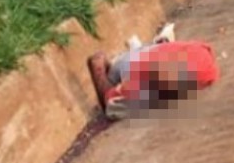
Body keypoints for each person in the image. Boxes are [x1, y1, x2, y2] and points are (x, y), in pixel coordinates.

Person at [87, 39, 219, 120]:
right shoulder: (202, 58)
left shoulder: (142, 77)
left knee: (119, 105)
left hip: (144, 61)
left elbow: (110, 102)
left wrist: (100, 71)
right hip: (192, 59)